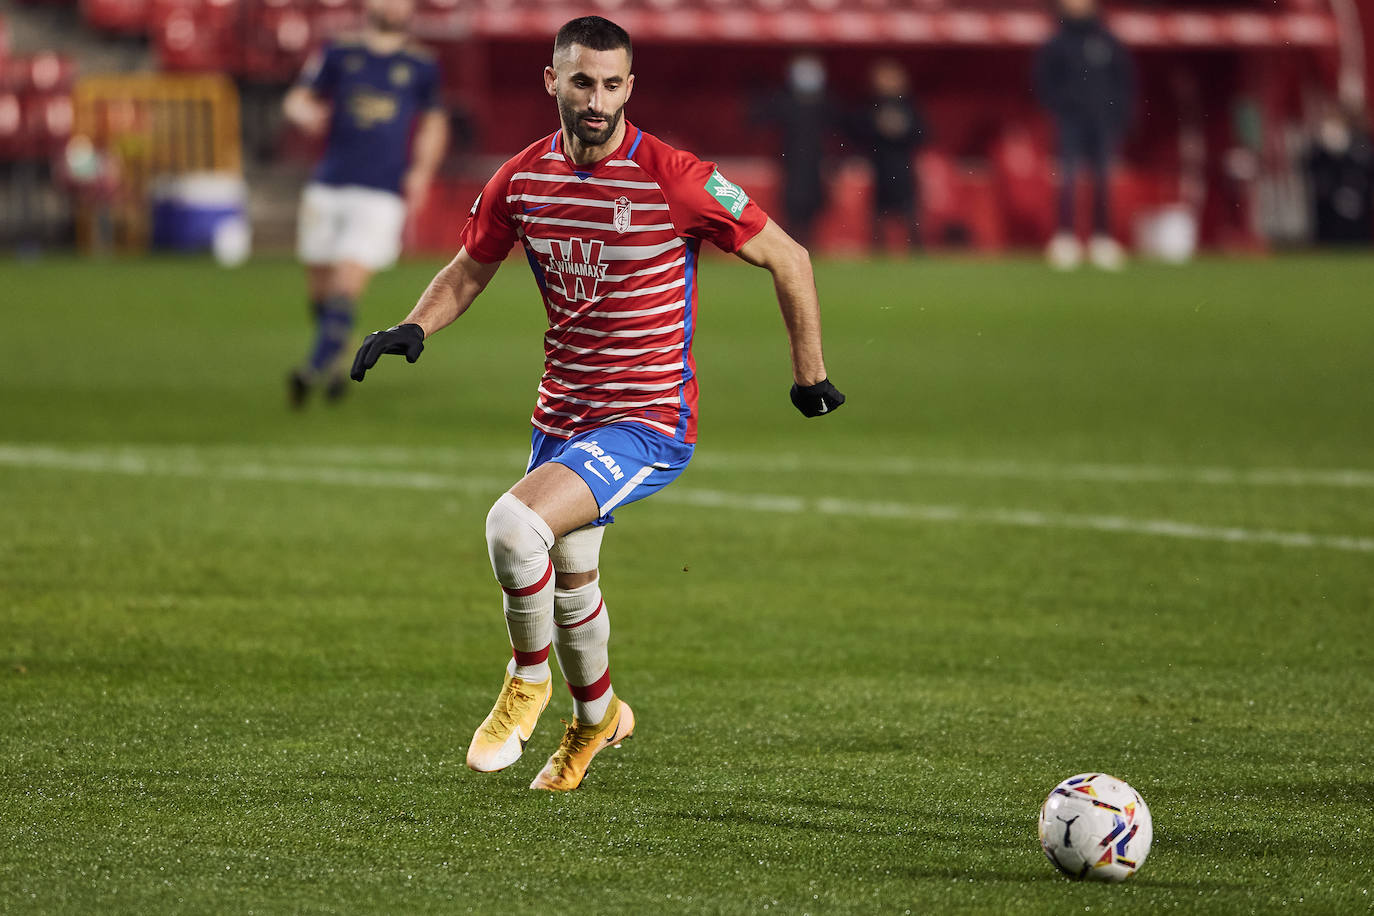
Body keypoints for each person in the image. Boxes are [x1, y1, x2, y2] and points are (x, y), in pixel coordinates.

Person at [349, 16, 845, 792]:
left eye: (614, 84)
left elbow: (790, 256)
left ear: (630, 88)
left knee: (515, 527)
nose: (598, 98)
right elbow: (468, 267)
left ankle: (527, 682)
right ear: (553, 81)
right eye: (583, 81)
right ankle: (597, 719)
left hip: (646, 419)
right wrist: (415, 324)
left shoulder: (674, 175)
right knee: (573, 572)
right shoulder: (520, 178)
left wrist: (808, 376)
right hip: (561, 418)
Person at [282, 0, 448, 407]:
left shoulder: (421, 65)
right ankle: (338, 358)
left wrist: (422, 173)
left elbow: (434, 123)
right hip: (329, 184)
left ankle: (311, 370)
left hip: (380, 192)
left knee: (345, 286)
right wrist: (303, 113)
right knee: (321, 293)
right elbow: (298, 99)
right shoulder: (338, 53)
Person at [1034, 0, 1135, 270]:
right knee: (1067, 178)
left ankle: (1101, 238)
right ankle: (1065, 238)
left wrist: (1118, 117)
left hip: (1102, 123)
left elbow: (1124, 82)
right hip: (1070, 121)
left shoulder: (1107, 40)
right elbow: (1043, 81)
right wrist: (1062, 106)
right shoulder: (1057, 42)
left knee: (1103, 178)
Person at [756, 54, 835, 248]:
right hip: (792, 164)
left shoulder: (826, 103)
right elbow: (760, 118)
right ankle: (792, 247)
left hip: (815, 165)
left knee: (812, 210)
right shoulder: (786, 102)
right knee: (792, 209)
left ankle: (809, 245)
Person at [852, 58, 928, 253]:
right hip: (879, 168)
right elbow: (857, 132)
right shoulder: (870, 106)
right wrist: (878, 128)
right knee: (878, 215)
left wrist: (903, 129)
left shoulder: (910, 105)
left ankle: (917, 250)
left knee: (910, 213)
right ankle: (878, 250)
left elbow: (924, 134)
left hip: (904, 168)